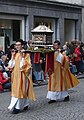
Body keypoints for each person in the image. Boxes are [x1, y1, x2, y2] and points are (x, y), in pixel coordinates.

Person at [8, 39, 36, 114]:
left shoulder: (26, 54)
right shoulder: (15, 53)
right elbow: (11, 66)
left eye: (19, 45)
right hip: (15, 75)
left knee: (21, 90)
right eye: (16, 45)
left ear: (22, 45)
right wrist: (12, 56)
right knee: (16, 90)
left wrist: (21, 56)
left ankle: (18, 107)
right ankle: (24, 104)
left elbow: (26, 66)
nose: (17, 46)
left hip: (23, 75)